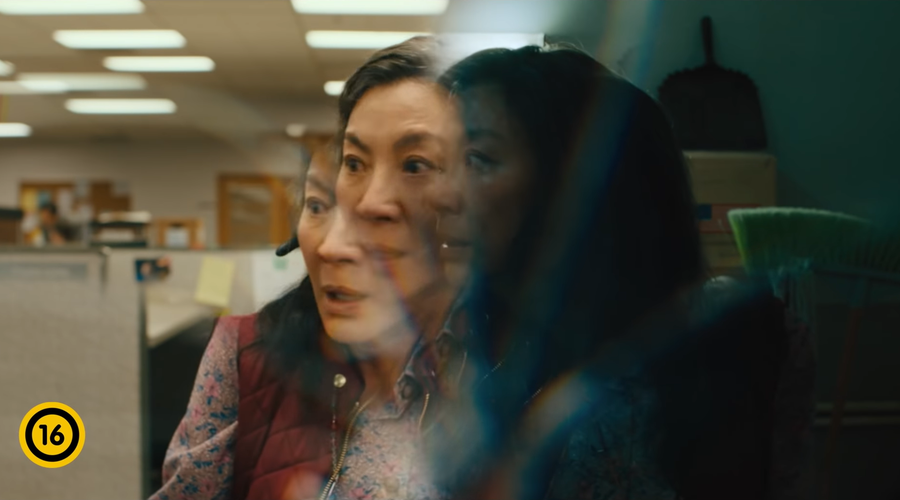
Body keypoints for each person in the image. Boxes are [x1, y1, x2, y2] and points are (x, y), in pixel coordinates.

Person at [426, 45, 815, 500]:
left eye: (477, 159)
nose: (440, 194)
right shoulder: (455, 335)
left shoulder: (739, 342)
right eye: (437, 163)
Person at [150, 41, 467, 499]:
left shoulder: (510, 372)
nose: (369, 202)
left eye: (415, 165)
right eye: (354, 164)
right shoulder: (248, 354)